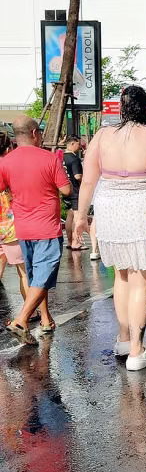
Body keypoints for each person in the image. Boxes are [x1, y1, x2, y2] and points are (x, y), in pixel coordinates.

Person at [73, 85, 146, 371]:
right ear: (145, 108)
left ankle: (123, 339)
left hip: (109, 210)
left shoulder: (102, 135)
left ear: (121, 108)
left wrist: (81, 216)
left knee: (121, 277)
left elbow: (88, 180)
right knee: (139, 282)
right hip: (142, 209)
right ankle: (136, 350)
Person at [0, 116, 72, 345]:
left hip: (23, 229)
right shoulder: (49, 159)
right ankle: (21, 320)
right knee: (42, 276)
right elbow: (66, 190)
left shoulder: (6, 162)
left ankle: (45, 319)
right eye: (39, 132)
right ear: (34, 133)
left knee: (36, 277)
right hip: (47, 227)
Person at [0, 130, 29, 306]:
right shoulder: (9, 168)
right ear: (8, 149)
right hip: (11, 226)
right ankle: (31, 311)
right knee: (24, 272)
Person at [63, 136, 87, 251]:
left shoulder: (62, 157)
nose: (80, 146)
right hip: (75, 190)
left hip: (66, 189)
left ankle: (69, 241)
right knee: (77, 216)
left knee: (70, 214)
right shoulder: (74, 159)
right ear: (72, 144)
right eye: (78, 144)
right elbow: (77, 176)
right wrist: (85, 180)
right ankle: (76, 242)